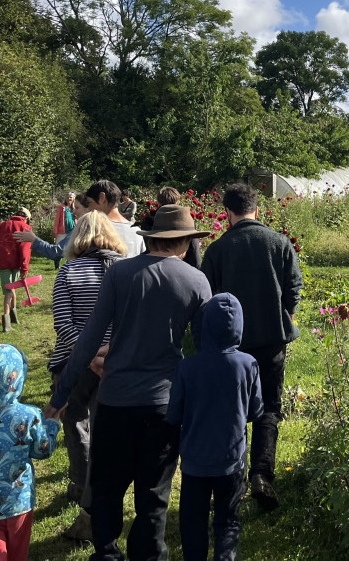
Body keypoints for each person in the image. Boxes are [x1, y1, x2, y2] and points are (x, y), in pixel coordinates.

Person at [46, 205, 211, 561]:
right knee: (154, 493)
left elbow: (89, 340)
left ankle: (106, 551)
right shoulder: (196, 282)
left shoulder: (120, 274)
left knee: (107, 485)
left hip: (116, 400)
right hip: (165, 404)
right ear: (184, 242)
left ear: (151, 239)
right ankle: (149, 554)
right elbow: (204, 350)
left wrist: (61, 395)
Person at [200, 182, 303, 511]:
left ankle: (233, 478)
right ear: (256, 209)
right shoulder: (279, 242)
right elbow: (294, 287)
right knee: (269, 407)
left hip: (231, 346)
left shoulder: (217, 250)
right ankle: (261, 474)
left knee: (233, 409)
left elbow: (209, 299)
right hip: (273, 339)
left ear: (227, 212)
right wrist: (283, 313)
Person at [48, 211, 127, 540]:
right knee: (108, 429)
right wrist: (107, 353)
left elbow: (63, 325)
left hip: (74, 362)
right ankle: (103, 493)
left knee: (76, 422)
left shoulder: (68, 272)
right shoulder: (127, 272)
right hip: (119, 362)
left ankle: (82, 484)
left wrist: (90, 355)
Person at [167, 293, 263, 561]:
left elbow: (174, 415)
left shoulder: (187, 367)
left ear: (204, 325)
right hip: (232, 460)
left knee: (193, 522)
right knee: (228, 521)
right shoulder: (249, 364)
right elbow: (255, 411)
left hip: (195, 462)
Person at [0, 343, 60, 561]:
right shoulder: (29, 416)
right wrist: (52, 425)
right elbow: (43, 450)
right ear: (17, 378)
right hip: (19, 503)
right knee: (18, 555)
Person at [0, 208, 32, 332]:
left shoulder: (2, 225)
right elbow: (25, 250)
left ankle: (13, 318)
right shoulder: (26, 227)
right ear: (26, 218)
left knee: (10, 289)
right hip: (17, 263)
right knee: (10, 290)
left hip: (3, 262)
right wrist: (24, 268)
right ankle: (7, 323)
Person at [14, 192, 90, 262]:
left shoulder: (82, 229)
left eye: (77, 208)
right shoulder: (97, 229)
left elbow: (55, 252)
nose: (74, 211)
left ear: (88, 209)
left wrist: (34, 240)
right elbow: (57, 220)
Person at [140, 187, 201, 268]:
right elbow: (194, 251)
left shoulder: (149, 221)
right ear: (178, 202)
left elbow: (147, 247)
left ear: (158, 202)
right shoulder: (185, 221)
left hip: (150, 266)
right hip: (181, 268)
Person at [85, 180, 143, 257]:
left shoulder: (95, 230)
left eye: (89, 203)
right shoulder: (136, 231)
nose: (88, 209)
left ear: (102, 198)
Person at [52, 192, 78, 269]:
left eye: (70, 197)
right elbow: (57, 220)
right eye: (67, 197)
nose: (68, 199)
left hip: (73, 230)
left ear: (74, 199)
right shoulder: (61, 207)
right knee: (58, 248)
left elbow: (78, 218)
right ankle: (57, 264)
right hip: (62, 231)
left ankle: (68, 265)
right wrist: (55, 231)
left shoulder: (75, 208)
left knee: (70, 248)